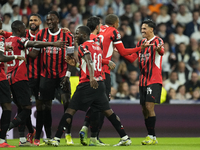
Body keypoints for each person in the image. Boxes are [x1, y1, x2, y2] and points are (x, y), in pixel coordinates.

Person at [49, 25, 132, 147]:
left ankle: (56, 139)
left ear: (83, 35)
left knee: (70, 110)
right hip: (100, 84)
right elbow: (87, 64)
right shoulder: (97, 46)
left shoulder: (83, 46)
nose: (75, 36)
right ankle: (125, 137)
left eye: (77, 34)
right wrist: (76, 64)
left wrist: (91, 77)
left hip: (87, 84)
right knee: (108, 112)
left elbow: (89, 61)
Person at [79, 14, 152, 145]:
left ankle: (85, 127)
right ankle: (95, 137)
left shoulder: (95, 31)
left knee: (95, 103)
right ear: (115, 23)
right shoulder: (113, 31)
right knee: (102, 105)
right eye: (118, 23)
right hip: (104, 72)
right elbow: (124, 53)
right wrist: (139, 49)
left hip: (91, 71)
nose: (118, 25)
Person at [5, 20, 66, 145]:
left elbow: (32, 53)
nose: (25, 31)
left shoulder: (6, 41)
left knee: (22, 108)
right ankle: (5, 129)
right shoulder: (19, 40)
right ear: (19, 30)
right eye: (23, 28)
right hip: (20, 79)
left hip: (9, 78)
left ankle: (26, 136)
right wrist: (53, 43)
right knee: (26, 109)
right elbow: (33, 42)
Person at [29, 11, 74, 146]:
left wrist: (67, 75)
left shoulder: (67, 35)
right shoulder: (41, 34)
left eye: (51, 19)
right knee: (44, 106)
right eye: (47, 19)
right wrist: (19, 51)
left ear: (57, 20)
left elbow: (71, 58)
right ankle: (47, 136)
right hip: (46, 76)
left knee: (67, 103)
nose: (49, 21)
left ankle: (68, 134)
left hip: (62, 76)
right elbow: (34, 53)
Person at [123, 19, 164, 145]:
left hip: (154, 79)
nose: (142, 31)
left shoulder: (158, 41)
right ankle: (152, 136)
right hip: (142, 81)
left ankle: (151, 136)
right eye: (141, 28)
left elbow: (161, 51)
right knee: (143, 109)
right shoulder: (141, 43)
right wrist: (122, 52)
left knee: (149, 106)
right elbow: (132, 59)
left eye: (144, 28)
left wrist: (158, 49)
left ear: (151, 29)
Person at [0, 35, 26, 148]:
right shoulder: (0, 38)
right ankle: (1, 141)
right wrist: (16, 56)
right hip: (0, 79)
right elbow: (0, 57)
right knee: (7, 108)